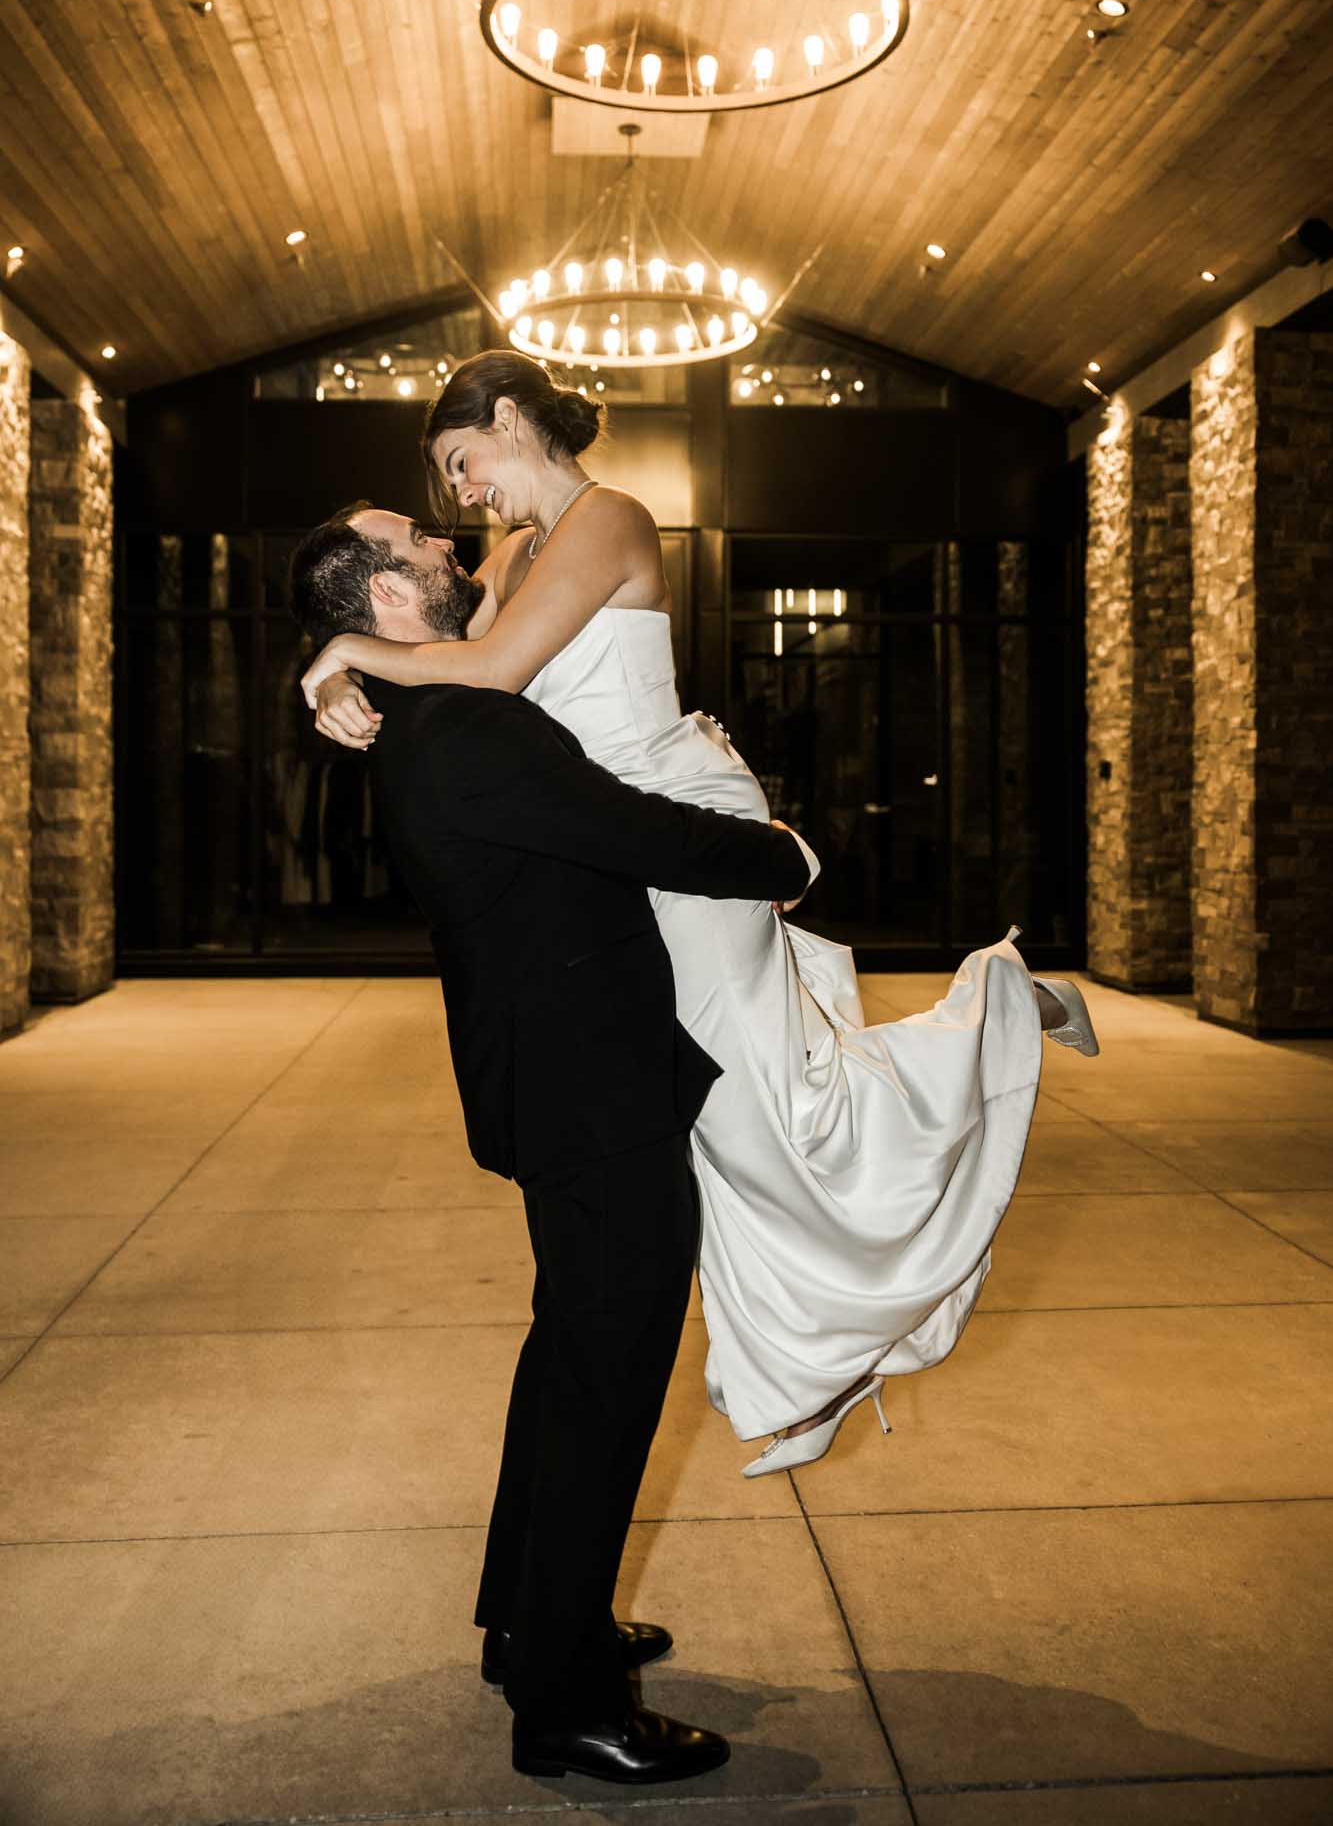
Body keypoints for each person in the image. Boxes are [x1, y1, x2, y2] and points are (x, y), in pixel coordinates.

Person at [301, 349, 1100, 1478]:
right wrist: (341, 675)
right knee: (712, 1128)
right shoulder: (512, 552)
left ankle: (1003, 1009)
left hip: (671, 819)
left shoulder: (609, 519)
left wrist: (336, 653)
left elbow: (488, 666)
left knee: (771, 1109)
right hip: (610, 839)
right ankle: (805, 1365)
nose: (460, 494)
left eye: (461, 460)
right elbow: (423, 632)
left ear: (512, 418)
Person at [289, 512, 813, 1784]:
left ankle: (531, 1622)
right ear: (387, 593)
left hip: (568, 1077)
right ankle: (568, 1704)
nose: (443, 539)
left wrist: (340, 654)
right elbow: (637, 831)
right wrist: (788, 856)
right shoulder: (467, 727)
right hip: (591, 1090)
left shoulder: (427, 710)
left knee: (569, 1356)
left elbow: (521, 570)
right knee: (603, 1379)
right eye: (415, 540)